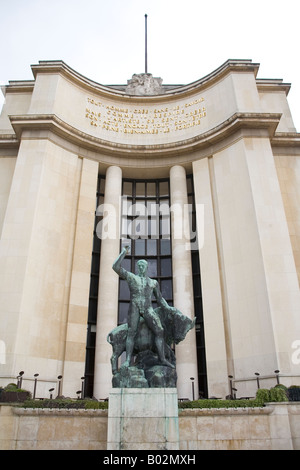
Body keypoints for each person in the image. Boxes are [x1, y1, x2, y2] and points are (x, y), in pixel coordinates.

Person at [112, 245, 175, 368]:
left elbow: (160, 299)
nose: (141, 267)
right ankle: (128, 360)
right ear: (137, 268)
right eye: (139, 265)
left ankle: (162, 359)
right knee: (131, 333)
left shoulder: (153, 282)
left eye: (143, 265)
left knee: (160, 331)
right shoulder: (132, 277)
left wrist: (168, 308)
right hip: (134, 307)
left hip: (147, 308)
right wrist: (124, 252)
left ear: (146, 268)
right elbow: (115, 267)